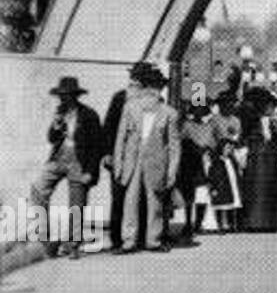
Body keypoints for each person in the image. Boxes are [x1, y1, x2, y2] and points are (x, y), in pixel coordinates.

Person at [30, 77, 104, 259]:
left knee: (76, 204)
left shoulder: (89, 115)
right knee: (38, 189)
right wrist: (55, 125)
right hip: (58, 158)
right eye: (61, 96)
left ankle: (72, 244)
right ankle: (44, 238)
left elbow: (97, 146)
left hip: (79, 161)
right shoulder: (60, 112)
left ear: (75, 96)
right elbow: (51, 139)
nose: (62, 99)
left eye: (66, 96)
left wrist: (90, 171)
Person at [112, 67, 180, 253]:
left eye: (157, 87)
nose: (153, 91)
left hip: (157, 162)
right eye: (150, 86)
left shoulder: (169, 113)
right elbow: (121, 139)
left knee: (155, 202)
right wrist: (118, 165)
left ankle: (153, 240)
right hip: (132, 162)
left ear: (161, 89)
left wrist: (172, 171)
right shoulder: (130, 108)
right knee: (130, 200)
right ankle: (129, 241)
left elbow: (174, 147)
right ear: (144, 88)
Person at [102, 61, 155, 250]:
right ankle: (117, 239)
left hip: (143, 156)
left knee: (140, 198)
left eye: (141, 79)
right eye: (135, 77)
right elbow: (109, 127)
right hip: (120, 156)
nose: (136, 82)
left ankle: (139, 237)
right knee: (118, 197)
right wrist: (108, 153)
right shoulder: (120, 98)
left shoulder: (152, 100)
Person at [241, 87, 277, 233]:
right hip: (257, 159)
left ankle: (269, 222)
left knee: (269, 191)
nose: (270, 108)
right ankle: (255, 222)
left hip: (272, 158)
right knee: (257, 191)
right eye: (268, 105)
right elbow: (245, 139)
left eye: (272, 105)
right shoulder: (254, 121)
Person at [176, 102, 215, 242]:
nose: (199, 114)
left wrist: (208, 150)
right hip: (191, 162)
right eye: (196, 111)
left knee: (202, 194)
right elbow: (181, 141)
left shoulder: (209, 126)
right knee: (189, 194)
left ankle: (198, 222)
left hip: (206, 160)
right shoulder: (187, 125)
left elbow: (214, 143)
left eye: (202, 111)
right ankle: (188, 222)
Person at [208, 91, 243, 232]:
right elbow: (211, 138)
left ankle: (231, 221)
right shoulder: (215, 120)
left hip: (232, 156)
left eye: (231, 104)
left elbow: (238, 137)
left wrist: (234, 145)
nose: (229, 106)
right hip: (218, 157)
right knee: (221, 189)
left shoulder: (236, 120)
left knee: (233, 188)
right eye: (225, 104)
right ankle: (218, 222)